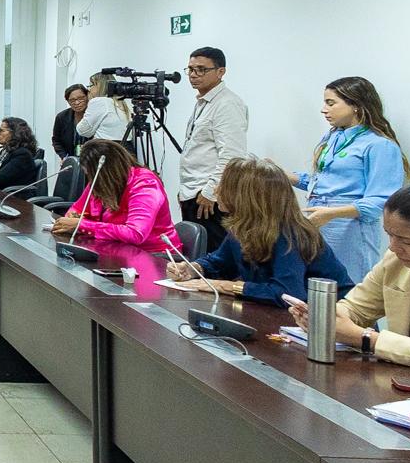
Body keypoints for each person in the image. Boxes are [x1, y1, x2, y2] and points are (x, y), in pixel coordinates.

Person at [166, 157, 353, 307]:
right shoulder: (242, 226)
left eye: (224, 185)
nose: (216, 189)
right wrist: (193, 269)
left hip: (335, 325)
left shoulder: (289, 233)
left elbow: (287, 294)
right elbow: (219, 262)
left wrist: (224, 286)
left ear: (245, 196)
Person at [284, 77, 409, 283]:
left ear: (356, 106)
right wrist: (283, 175)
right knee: (318, 289)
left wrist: (333, 214)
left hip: (349, 228)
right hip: (319, 220)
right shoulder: (332, 138)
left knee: (349, 291)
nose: (324, 110)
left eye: (331, 103)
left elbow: (383, 201)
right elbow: (321, 183)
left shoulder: (379, 145)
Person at [289, 185, 410, 365]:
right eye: (389, 235)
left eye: (407, 241)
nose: (393, 247)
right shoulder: (394, 261)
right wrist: (322, 316)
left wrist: (364, 338)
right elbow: (356, 307)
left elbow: (360, 335)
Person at [177, 46, 248, 253]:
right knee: (195, 254)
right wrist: (185, 191)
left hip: (210, 197)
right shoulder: (203, 101)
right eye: (190, 69)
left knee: (212, 255)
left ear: (220, 72)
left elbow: (233, 155)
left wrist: (210, 191)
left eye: (201, 69)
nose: (193, 75)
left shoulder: (227, 104)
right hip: (193, 191)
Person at [50, 140, 183, 250]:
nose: (89, 178)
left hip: (154, 257)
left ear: (106, 172)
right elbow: (76, 210)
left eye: (89, 173)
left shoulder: (145, 185)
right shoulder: (98, 183)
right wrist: (74, 219)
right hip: (115, 249)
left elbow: (135, 234)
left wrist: (82, 225)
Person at [76, 72, 131, 143]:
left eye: (91, 85)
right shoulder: (123, 102)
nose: (89, 89)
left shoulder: (99, 101)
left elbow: (82, 130)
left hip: (106, 148)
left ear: (100, 85)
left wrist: (90, 101)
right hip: (125, 148)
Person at [51, 84, 88, 159]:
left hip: (92, 161)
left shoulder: (94, 115)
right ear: (68, 101)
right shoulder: (62, 117)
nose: (77, 103)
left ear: (87, 97)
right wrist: (64, 156)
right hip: (71, 159)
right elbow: (56, 140)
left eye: (81, 98)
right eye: (72, 100)